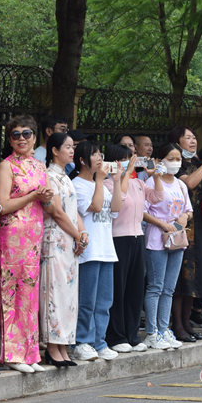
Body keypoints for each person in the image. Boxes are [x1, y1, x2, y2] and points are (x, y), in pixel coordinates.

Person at [0, 115, 52, 373]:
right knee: (12, 293)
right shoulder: (6, 166)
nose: (21, 138)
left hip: (33, 237)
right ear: (10, 140)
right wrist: (32, 196)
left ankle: (30, 353)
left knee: (30, 295)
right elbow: (2, 205)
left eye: (26, 133)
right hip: (12, 236)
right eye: (15, 134)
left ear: (34, 138)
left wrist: (46, 197)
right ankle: (13, 354)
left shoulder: (40, 166)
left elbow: (47, 203)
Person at [104, 143, 164, 353]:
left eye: (130, 158)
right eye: (124, 159)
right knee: (118, 289)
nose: (129, 163)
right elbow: (120, 201)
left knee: (135, 289)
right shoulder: (108, 184)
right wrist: (124, 174)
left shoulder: (138, 183)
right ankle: (116, 336)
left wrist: (156, 177)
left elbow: (157, 198)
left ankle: (132, 335)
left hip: (138, 238)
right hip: (118, 238)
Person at [69, 142, 121, 362]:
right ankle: (82, 341)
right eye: (95, 155)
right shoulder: (77, 184)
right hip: (89, 252)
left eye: (101, 154)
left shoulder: (102, 184)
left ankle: (99, 342)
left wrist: (116, 181)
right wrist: (100, 181)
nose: (100, 158)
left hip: (106, 249)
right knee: (87, 301)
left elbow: (115, 208)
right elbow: (96, 207)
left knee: (104, 302)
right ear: (82, 160)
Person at [167, 127, 202, 341]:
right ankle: (176, 324)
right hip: (182, 225)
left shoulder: (198, 164)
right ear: (176, 141)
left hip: (200, 225)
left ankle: (186, 322)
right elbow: (189, 183)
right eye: (187, 137)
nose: (193, 140)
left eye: (194, 137)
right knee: (181, 278)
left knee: (194, 278)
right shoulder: (176, 164)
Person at [40, 133, 86, 366]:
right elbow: (56, 212)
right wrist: (77, 235)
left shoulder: (66, 177)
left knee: (68, 295)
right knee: (54, 293)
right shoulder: (48, 176)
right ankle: (52, 346)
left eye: (72, 147)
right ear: (55, 150)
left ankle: (63, 345)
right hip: (55, 240)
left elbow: (73, 209)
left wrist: (83, 232)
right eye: (67, 147)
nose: (72, 150)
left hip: (70, 241)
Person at [142, 143, 190, 350]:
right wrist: (162, 224)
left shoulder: (181, 184)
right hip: (156, 239)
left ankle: (163, 329)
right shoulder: (151, 181)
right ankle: (151, 332)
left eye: (178, 158)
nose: (175, 162)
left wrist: (184, 218)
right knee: (156, 287)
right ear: (160, 161)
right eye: (171, 159)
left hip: (176, 240)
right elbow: (143, 211)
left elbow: (188, 210)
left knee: (169, 289)